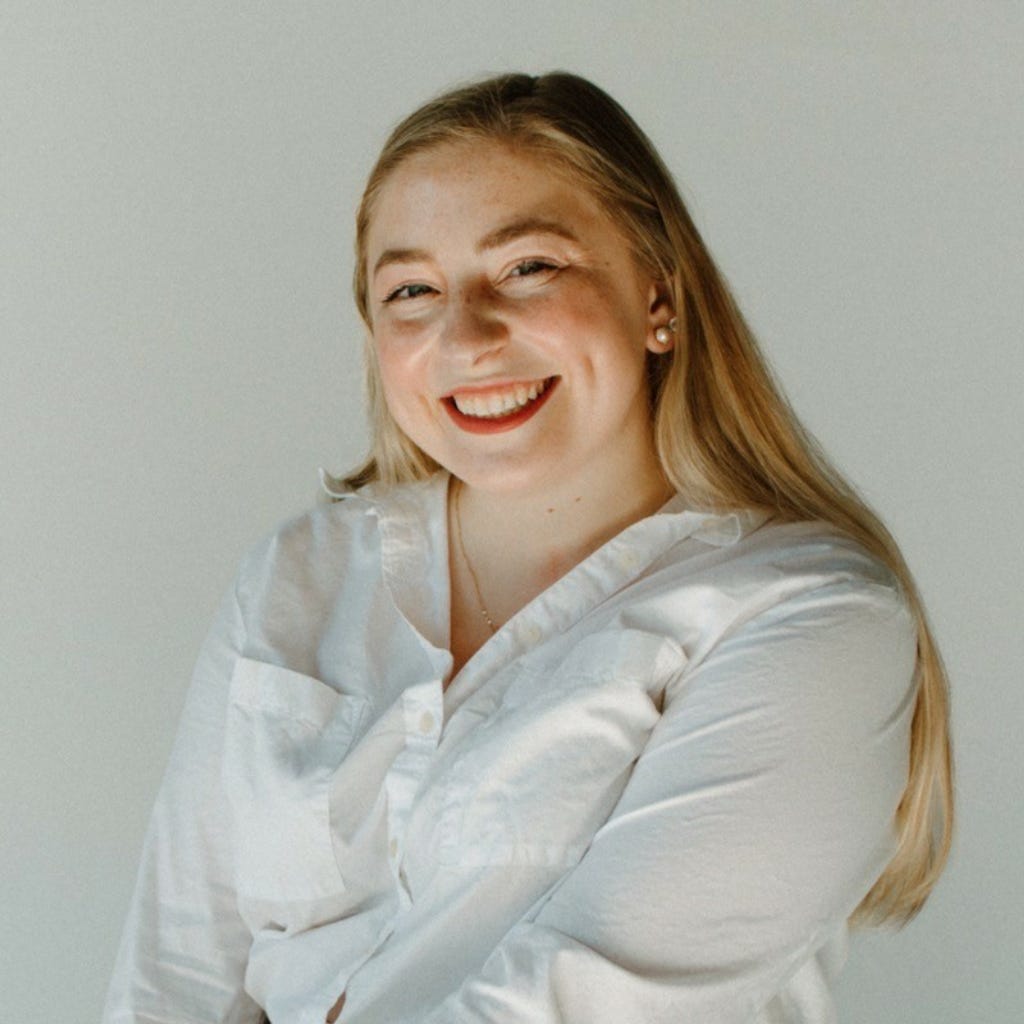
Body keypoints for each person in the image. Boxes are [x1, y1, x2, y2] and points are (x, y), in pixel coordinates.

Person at [103, 72, 953, 1024]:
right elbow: (171, 974)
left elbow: (584, 1000)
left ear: (659, 294)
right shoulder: (301, 575)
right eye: (412, 290)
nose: (466, 335)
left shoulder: (811, 615)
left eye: (529, 268)